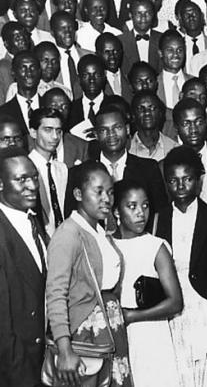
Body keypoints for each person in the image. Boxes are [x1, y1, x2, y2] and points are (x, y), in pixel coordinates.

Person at [46, 160, 133, 387]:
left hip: (108, 333)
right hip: (84, 338)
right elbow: (56, 294)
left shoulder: (99, 232)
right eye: (98, 192)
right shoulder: (69, 233)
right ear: (77, 193)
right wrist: (64, 349)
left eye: (111, 192)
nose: (107, 199)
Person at [156, 145, 207, 387]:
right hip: (170, 306)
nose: (180, 187)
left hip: (206, 307)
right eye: (173, 180)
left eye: (187, 179)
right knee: (178, 370)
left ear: (198, 181)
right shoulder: (158, 219)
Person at [113, 179, 182, 387]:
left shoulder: (156, 246)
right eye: (131, 206)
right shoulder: (105, 245)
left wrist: (133, 316)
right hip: (117, 336)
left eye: (145, 205)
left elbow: (175, 302)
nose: (140, 213)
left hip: (151, 336)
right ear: (116, 211)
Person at [0, 147, 48, 386]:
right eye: (21, 179)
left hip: (41, 361)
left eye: (34, 177)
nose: (32, 185)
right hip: (17, 371)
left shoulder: (31, 219)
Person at [28, 107, 67, 237]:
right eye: (48, 130)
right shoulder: (27, 168)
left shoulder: (62, 169)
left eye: (58, 131)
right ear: (33, 132)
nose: (55, 137)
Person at [173, 98, 207, 173]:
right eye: (186, 124)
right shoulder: (170, 162)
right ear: (176, 127)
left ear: (206, 122)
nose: (193, 130)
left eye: (199, 122)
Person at [41, 88, 90, 168]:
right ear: (42, 108)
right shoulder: (30, 144)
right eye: (54, 106)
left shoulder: (81, 146)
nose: (60, 110)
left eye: (65, 107)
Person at [50, 11, 91, 100]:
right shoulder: (49, 63)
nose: (68, 32)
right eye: (62, 28)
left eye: (70, 27)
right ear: (52, 33)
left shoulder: (90, 56)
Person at [119, 0, 162, 75]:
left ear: (153, 15)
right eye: (139, 13)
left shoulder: (162, 39)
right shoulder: (120, 42)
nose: (143, 17)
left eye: (147, 13)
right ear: (130, 15)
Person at [0, 50, 41, 136]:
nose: (29, 73)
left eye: (33, 68)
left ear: (39, 71)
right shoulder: (3, 113)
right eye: (23, 68)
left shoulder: (49, 106)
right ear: (13, 72)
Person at [129, 90, 179, 161]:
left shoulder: (175, 149)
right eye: (141, 109)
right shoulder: (125, 150)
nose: (147, 113)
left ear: (160, 113)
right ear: (133, 115)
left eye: (152, 108)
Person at [68, 54, 108, 139]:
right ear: (79, 79)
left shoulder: (114, 105)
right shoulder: (70, 109)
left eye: (96, 75)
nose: (92, 80)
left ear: (104, 76)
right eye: (86, 75)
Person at [157, 29, 191, 109]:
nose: (175, 55)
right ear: (160, 53)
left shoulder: (194, 82)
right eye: (170, 50)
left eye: (179, 50)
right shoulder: (154, 85)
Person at [95, 32, 134, 104]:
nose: (112, 56)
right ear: (97, 54)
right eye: (107, 52)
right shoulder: (94, 83)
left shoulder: (130, 78)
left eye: (115, 51)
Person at [0, 21, 31, 104]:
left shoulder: (33, 61)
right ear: (6, 44)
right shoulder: (3, 68)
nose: (23, 41)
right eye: (17, 38)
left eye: (24, 36)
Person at [179, 1, 207, 69]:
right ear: (181, 21)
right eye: (186, 15)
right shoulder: (179, 45)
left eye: (194, 13)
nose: (191, 17)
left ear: (202, 16)